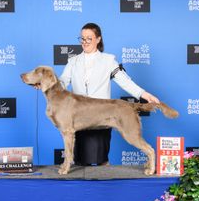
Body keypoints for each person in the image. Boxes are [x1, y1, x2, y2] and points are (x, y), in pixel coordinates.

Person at [59, 22, 159, 166]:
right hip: (79, 117)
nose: (85, 42)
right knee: (81, 163)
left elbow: (125, 81)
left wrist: (144, 94)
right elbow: (63, 81)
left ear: (98, 39)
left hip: (102, 117)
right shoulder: (73, 61)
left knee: (101, 162)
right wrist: (47, 85)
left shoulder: (108, 60)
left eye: (89, 38)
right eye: (82, 38)